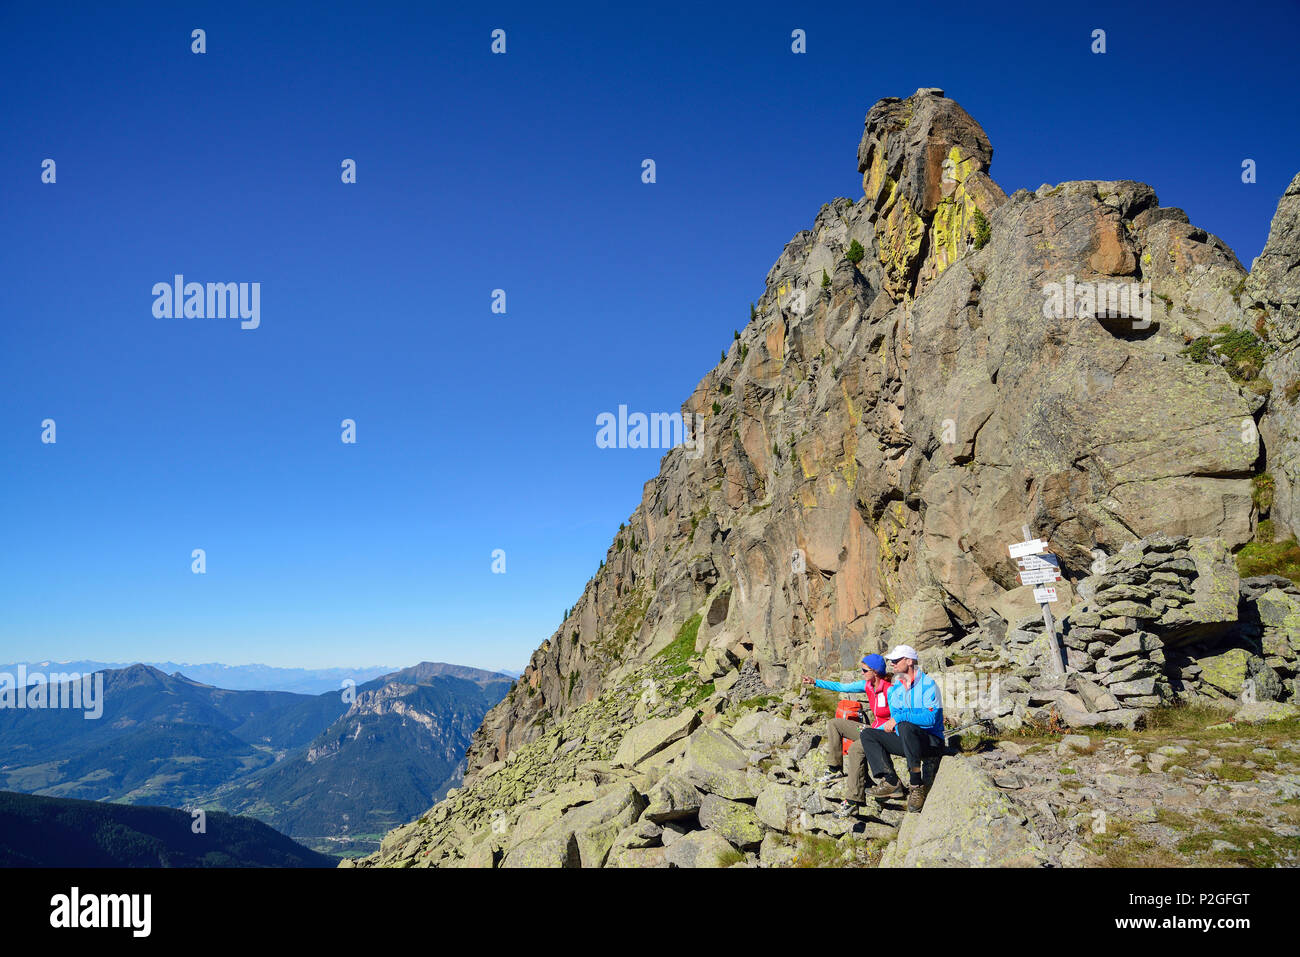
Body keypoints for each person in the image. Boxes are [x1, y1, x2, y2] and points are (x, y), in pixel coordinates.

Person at [858, 645, 945, 813]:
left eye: (896, 660)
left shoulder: (928, 685)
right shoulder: (897, 689)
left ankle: (916, 785)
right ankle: (891, 781)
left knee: (905, 725)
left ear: (909, 661)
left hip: (932, 742)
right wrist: (891, 724)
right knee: (868, 734)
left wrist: (899, 718)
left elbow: (930, 718)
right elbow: (894, 720)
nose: (892, 664)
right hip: (907, 740)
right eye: (891, 661)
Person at [799, 654, 892, 805]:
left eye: (864, 670)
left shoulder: (890, 690)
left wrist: (874, 732)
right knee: (834, 724)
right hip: (873, 729)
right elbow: (842, 687)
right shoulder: (866, 685)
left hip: (885, 733)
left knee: (856, 747)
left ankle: (853, 800)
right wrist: (815, 682)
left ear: (875, 672)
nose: (861, 673)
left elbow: (897, 717)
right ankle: (835, 769)